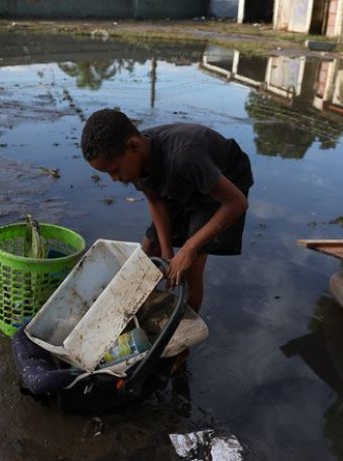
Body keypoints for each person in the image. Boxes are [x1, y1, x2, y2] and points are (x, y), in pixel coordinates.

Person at [80, 109, 253, 313]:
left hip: (223, 184)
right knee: (149, 252)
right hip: (183, 180)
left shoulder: (184, 156)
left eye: (115, 170)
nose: (114, 179)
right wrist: (167, 251)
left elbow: (237, 203)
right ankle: (130, 312)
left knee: (189, 267)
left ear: (133, 147)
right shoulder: (136, 158)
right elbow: (156, 202)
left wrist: (188, 249)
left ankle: (183, 333)